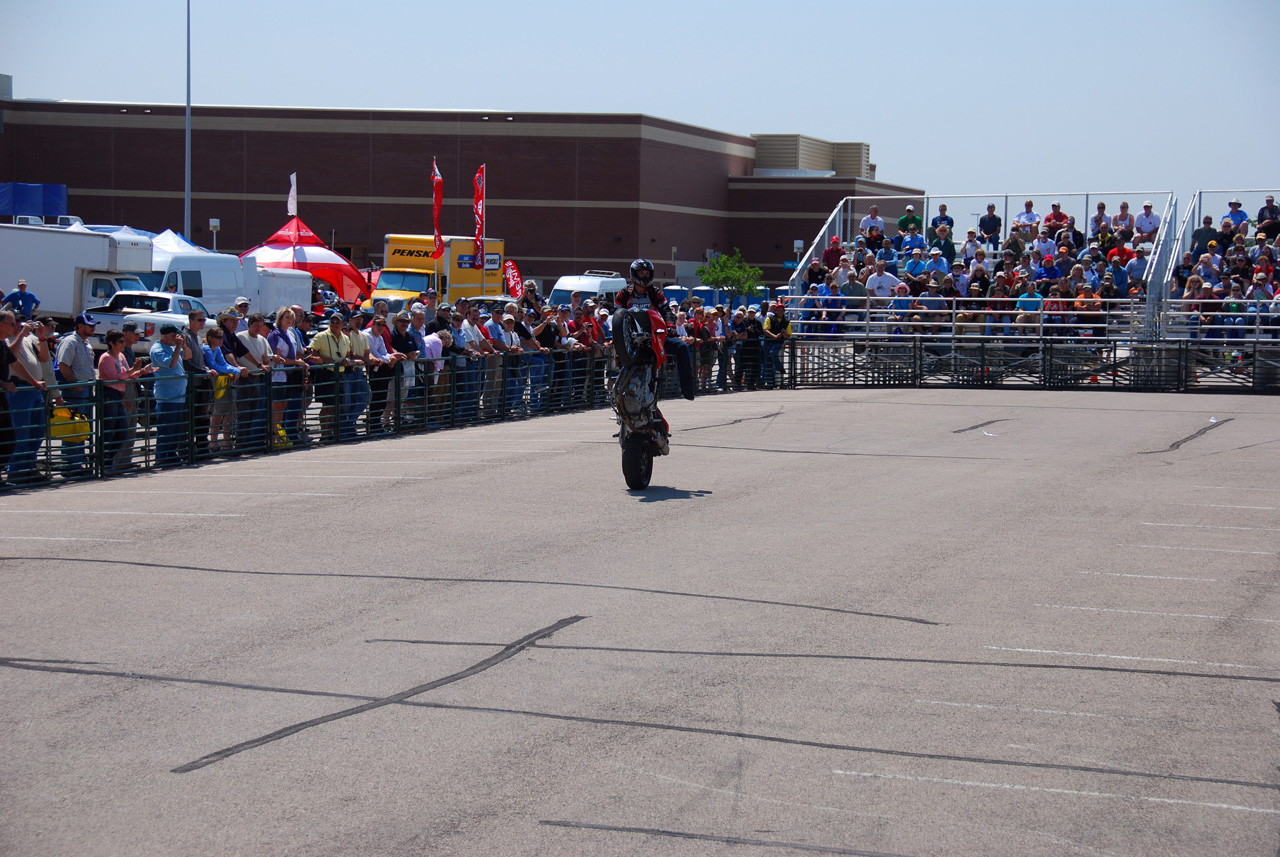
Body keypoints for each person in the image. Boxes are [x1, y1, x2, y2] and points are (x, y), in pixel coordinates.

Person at [613, 259, 695, 400]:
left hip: (654, 334)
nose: (644, 276)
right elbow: (615, 315)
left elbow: (666, 311)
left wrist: (671, 327)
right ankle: (618, 389)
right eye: (641, 273)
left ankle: (687, 388)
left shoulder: (655, 292)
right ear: (634, 274)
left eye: (647, 273)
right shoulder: (623, 294)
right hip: (631, 338)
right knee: (618, 358)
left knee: (682, 347)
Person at [5, 315, 59, 482]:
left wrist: (41, 336)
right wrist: (21, 334)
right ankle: (16, 469)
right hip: (20, 389)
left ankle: (28, 466)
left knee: (37, 430)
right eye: (15, 323)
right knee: (22, 432)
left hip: (35, 389)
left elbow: (43, 358)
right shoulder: (7, 341)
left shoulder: (29, 340)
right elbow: (10, 357)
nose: (19, 326)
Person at [55, 312, 99, 474]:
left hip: (85, 388)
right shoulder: (70, 342)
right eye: (90, 325)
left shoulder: (86, 344)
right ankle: (70, 465)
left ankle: (77, 463)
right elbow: (63, 365)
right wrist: (74, 383)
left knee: (81, 428)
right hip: (75, 390)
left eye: (93, 325)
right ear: (80, 326)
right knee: (72, 428)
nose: (93, 327)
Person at [97, 330, 146, 468]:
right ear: (111, 343)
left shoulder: (121, 356)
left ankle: (108, 460)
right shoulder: (106, 357)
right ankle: (103, 460)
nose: (123, 344)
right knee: (109, 430)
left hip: (118, 394)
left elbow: (127, 375)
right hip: (109, 394)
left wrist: (142, 371)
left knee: (123, 431)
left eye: (124, 341)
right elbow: (116, 377)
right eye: (120, 342)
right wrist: (133, 370)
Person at [149, 324, 190, 466]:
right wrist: (178, 347)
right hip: (167, 395)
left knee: (175, 427)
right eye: (174, 335)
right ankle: (161, 456)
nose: (176, 338)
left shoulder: (174, 347)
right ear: (166, 335)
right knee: (166, 427)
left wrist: (183, 346)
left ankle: (171, 453)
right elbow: (171, 364)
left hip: (178, 395)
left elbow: (189, 356)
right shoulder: (157, 349)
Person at [308, 314, 351, 440]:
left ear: (343, 323)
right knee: (326, 405)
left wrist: (347, 359)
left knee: (335, 405)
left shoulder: (345, 338)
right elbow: (312, 352)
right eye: (332, 321)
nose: (335, 324)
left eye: (338, 322)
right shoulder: (321, 336)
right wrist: (326, 360)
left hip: (340, 374)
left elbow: (348, 353)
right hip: (326, 373)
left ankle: (330, 431)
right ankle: (324, 433)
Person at [761, 303, 790, 388]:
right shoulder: (769, 319)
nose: (780, 312)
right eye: (778, 310)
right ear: (776, 311)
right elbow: (765, 330)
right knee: (768, 363)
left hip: (778, 342)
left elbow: (788, 335)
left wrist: (784, 334)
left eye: (782, 310)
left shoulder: (787, 322)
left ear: (784, 311)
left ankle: (779, 367)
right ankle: (771, 383)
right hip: (768, 341)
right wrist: (774, 336)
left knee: (773, 353)